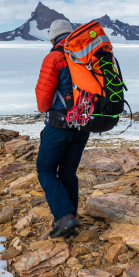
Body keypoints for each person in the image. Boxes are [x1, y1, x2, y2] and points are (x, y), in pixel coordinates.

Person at [35, 19, 90, 239]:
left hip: (59, 124)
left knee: (45, 169)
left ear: (53, 36)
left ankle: (65, 217)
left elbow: (43, 99)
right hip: (84, 124)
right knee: (68, 172)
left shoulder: (54, 57)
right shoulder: (87, 55)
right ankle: (70, 220)